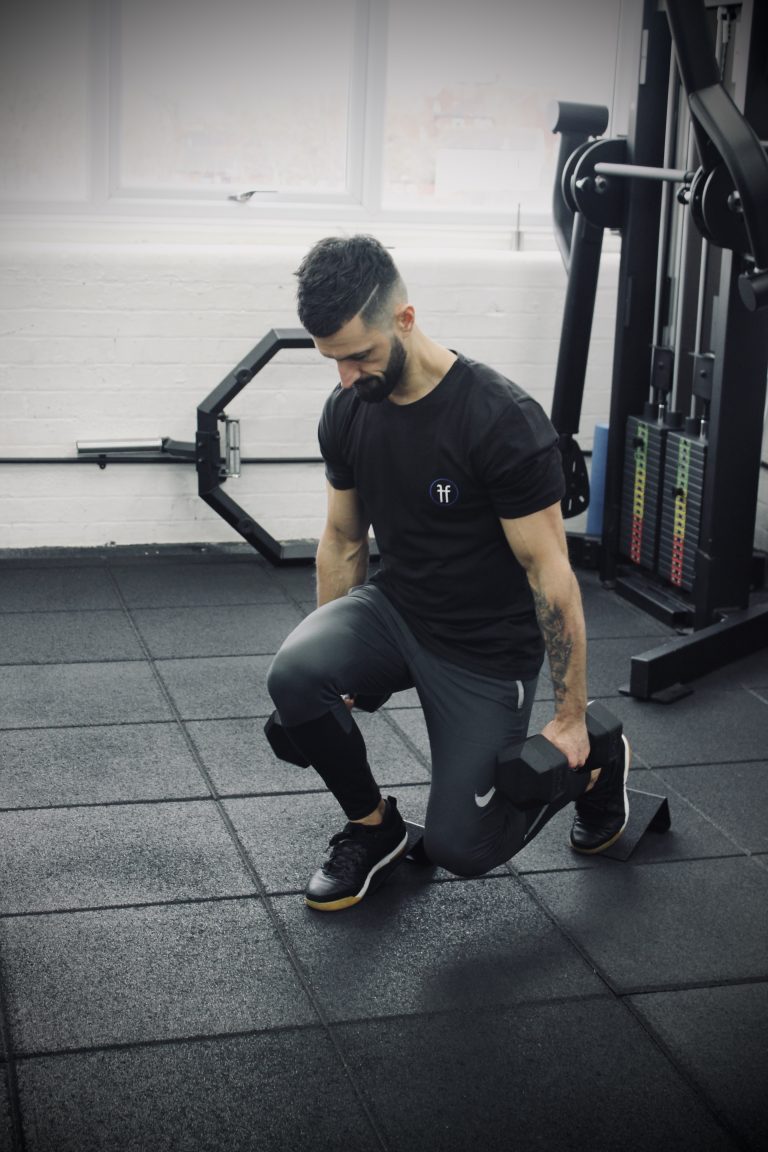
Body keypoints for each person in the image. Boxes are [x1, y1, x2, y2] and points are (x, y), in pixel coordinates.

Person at [267, 234, 630, 911]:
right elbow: (344, 540)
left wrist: (571, 717)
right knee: (295, 676)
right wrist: (337, 680)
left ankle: (598, 763)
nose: (347, 379)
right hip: (398, 609)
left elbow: (551, 575)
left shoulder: (501, 421)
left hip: (486, 650)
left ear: (404, 319)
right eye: (333, 362)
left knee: (463, 848)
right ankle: (375, 828)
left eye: (359, 357)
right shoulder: (348, 411)